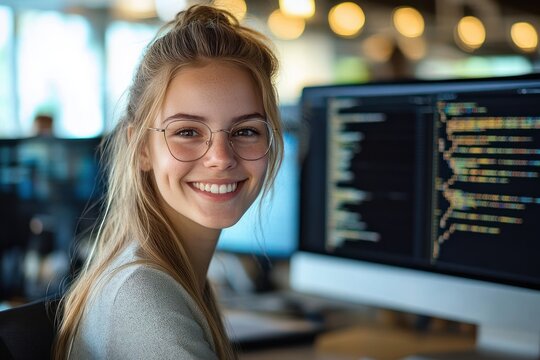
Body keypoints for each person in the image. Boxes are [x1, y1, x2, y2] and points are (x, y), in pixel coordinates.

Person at [53, 4, 283, 359]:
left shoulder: (165, 273)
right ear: (141, 147)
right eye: (187, 131)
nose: (220, 157)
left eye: (246, 130)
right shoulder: (145, 300)